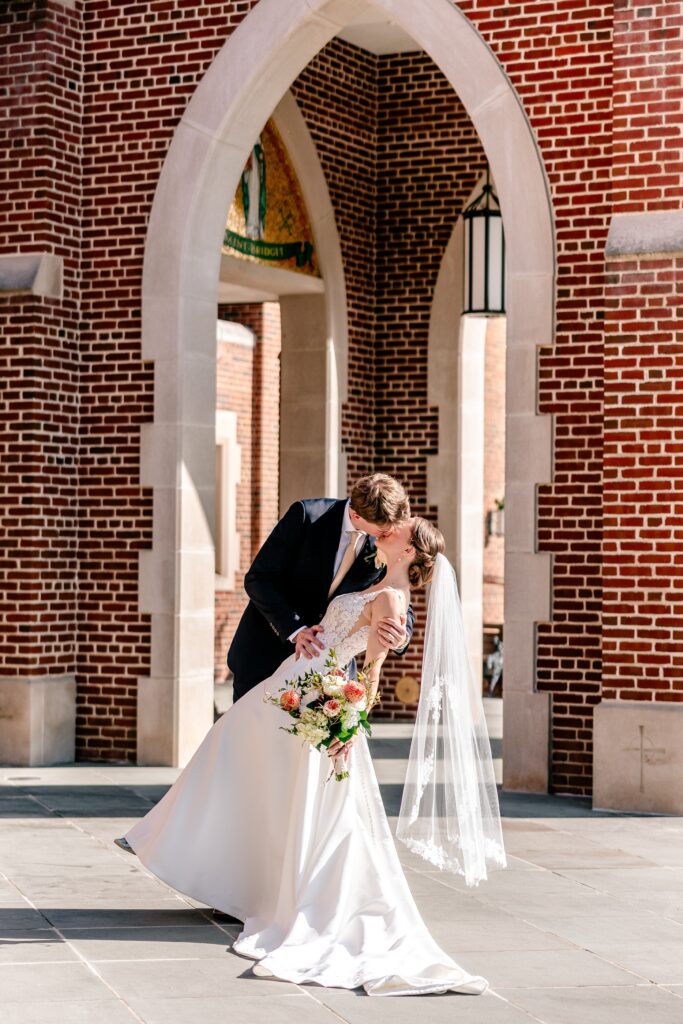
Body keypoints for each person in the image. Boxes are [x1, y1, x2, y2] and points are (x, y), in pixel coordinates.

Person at [115, 513, 507, 996]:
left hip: (313, 697)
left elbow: (371, 671)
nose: (394, 525)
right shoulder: (373, 575)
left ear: (409, 550)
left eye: (403, 526)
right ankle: (207, 860)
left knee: (276, 783)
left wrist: (349, 723)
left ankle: (223, 867)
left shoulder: (390, 597)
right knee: (240, 760)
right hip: (292, 682)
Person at [227, 473, 415, 705]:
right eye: (383, 531)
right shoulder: (307, 516)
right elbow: (258, 578)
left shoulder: (383, 544)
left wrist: (401, 634)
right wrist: (295, 629)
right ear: (356, 515)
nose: (389, 535)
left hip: (328, 679)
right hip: (266, 658)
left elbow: (397, 589)